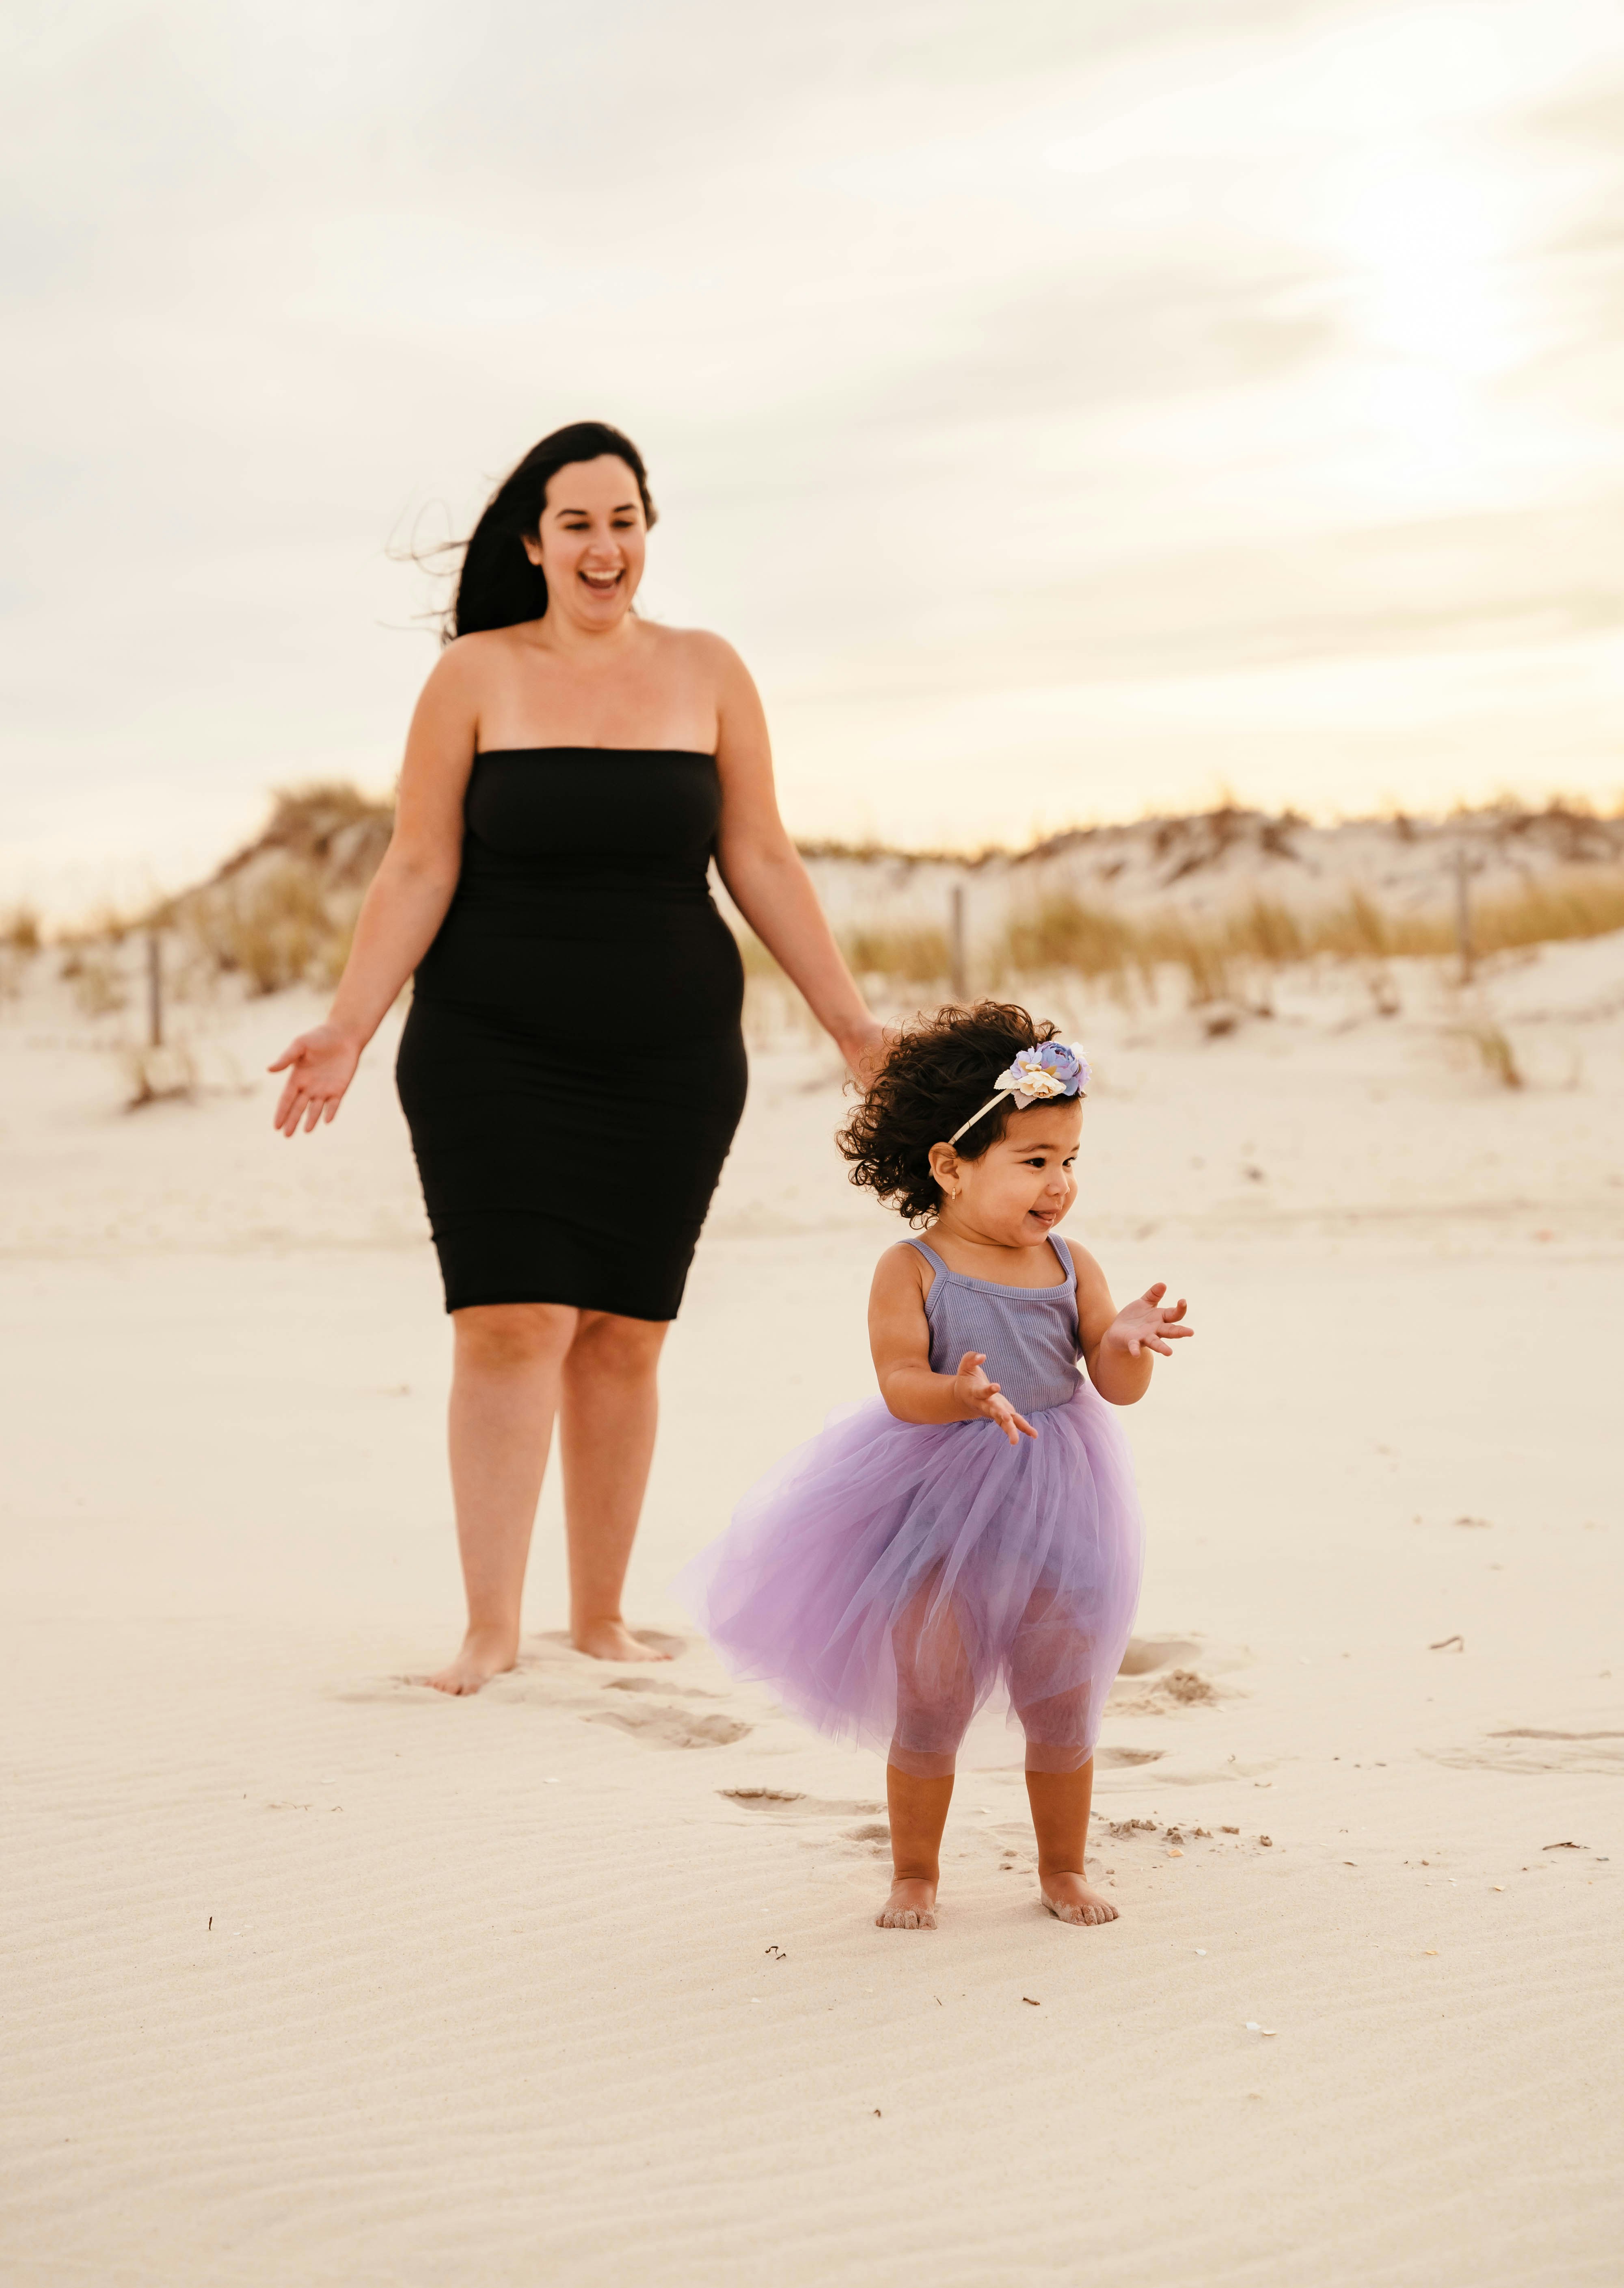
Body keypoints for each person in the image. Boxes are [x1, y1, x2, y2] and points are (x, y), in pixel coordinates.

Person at [269, 420, 883, 1693]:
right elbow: (420, 861)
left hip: (670, 1055)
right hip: (491, 1046)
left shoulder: (710, 671)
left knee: (624, 1334)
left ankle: (598, 1616)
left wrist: (852, 1022)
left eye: (624, 521)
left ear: (646, 532)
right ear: (534, 543)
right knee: (512, 1319)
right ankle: (492, 1629)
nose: (605, 548)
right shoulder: (474, 677)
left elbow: (760, 856)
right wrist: (348, 1021)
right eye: (578, 525)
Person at [677, 1002, 1192, 1929]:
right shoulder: (911, 1268)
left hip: (1058, 1492)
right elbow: (898, 1384)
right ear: (949, 1166)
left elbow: (1115, 1389)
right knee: (931, 1693)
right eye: (1032, 1163)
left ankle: (1062, 1868)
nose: (1057, 1185)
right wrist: (955, 1394)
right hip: (936, 1498)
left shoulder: (1070, 1264)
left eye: (1068, 1161)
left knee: (1061, 1692)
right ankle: (913, 1871)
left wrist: (1121, 1340)